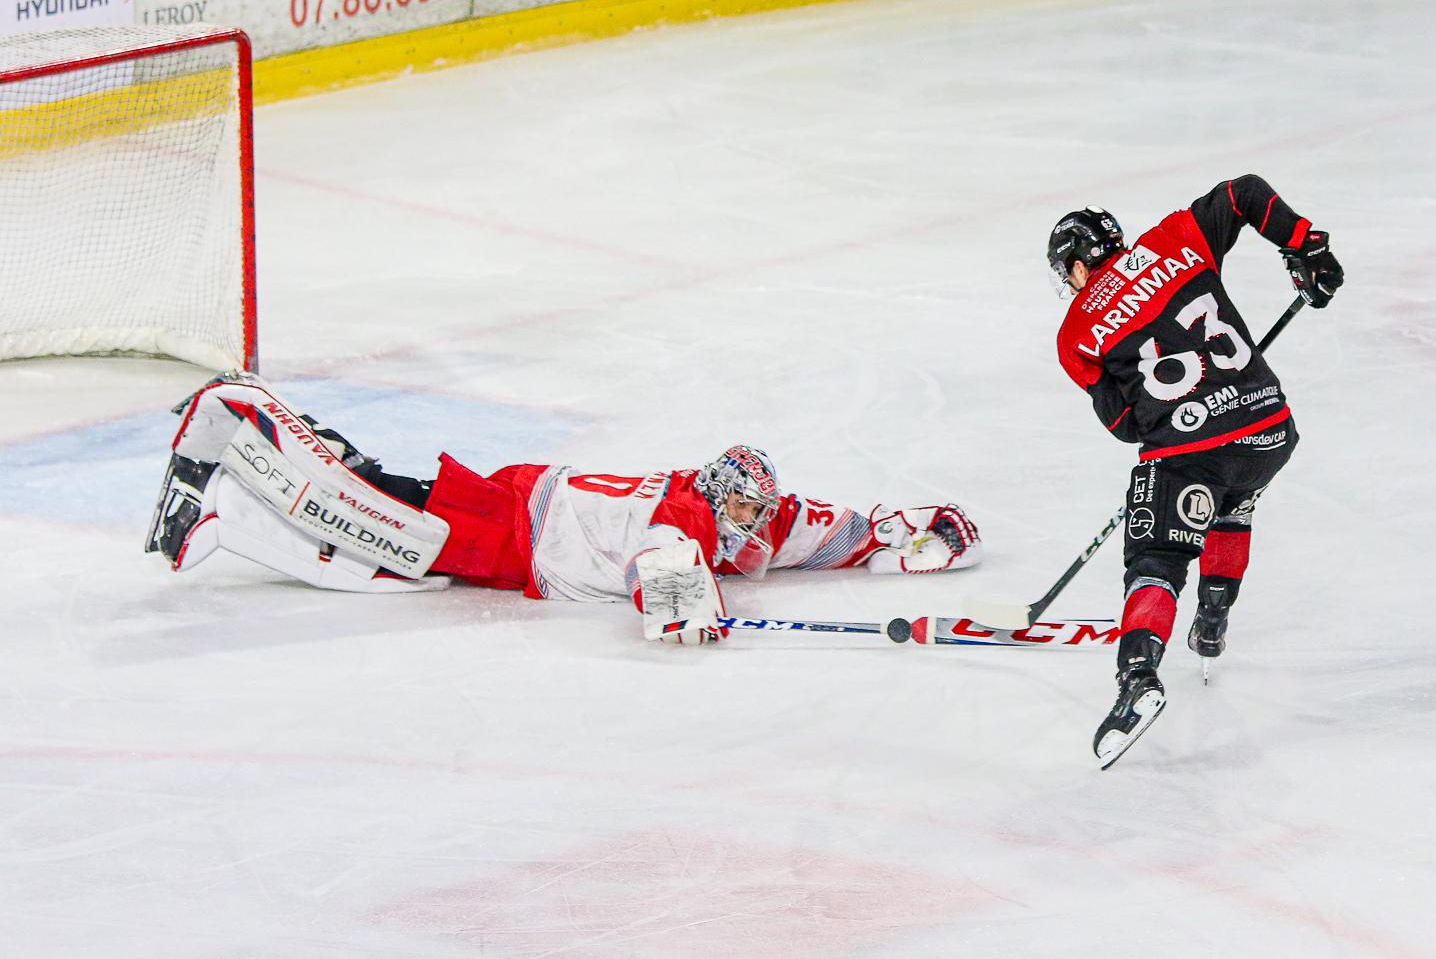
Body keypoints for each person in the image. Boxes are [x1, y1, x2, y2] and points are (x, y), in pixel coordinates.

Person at [146, 373, 983, 645]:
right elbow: (665, 568)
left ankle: (222, 512)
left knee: (376, 549)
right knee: (366, 513)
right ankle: (246, 409)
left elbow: (825, 529)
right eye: (742, 505)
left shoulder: (750, 513)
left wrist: (912, 533)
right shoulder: (692, 513)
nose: (753, 520)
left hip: (524, 511)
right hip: (513, 530)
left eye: (755, 509)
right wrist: (684, 612)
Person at [1046, 176, 1344, 765]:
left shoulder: (1076, 334)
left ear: (1078, 266)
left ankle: (1137, 678)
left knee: (1157, 559)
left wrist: (1185, 411)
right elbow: (1244, 193)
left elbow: (1125, 424)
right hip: (1269, 425)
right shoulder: (1175, 239)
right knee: (1233, 497)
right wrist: (1306, 247)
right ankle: (1211, 622)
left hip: (1192, 451)